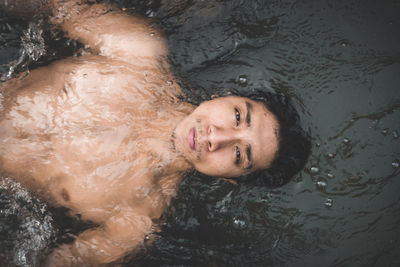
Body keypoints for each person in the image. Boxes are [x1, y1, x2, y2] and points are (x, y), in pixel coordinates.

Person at [0, 0, 310, 266]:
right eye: (238, 116)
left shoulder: (135, 222)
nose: (218, 138)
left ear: (229, 178)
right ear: (227, 94)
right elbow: (56, 6)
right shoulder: (138, 51)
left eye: (240, 155)